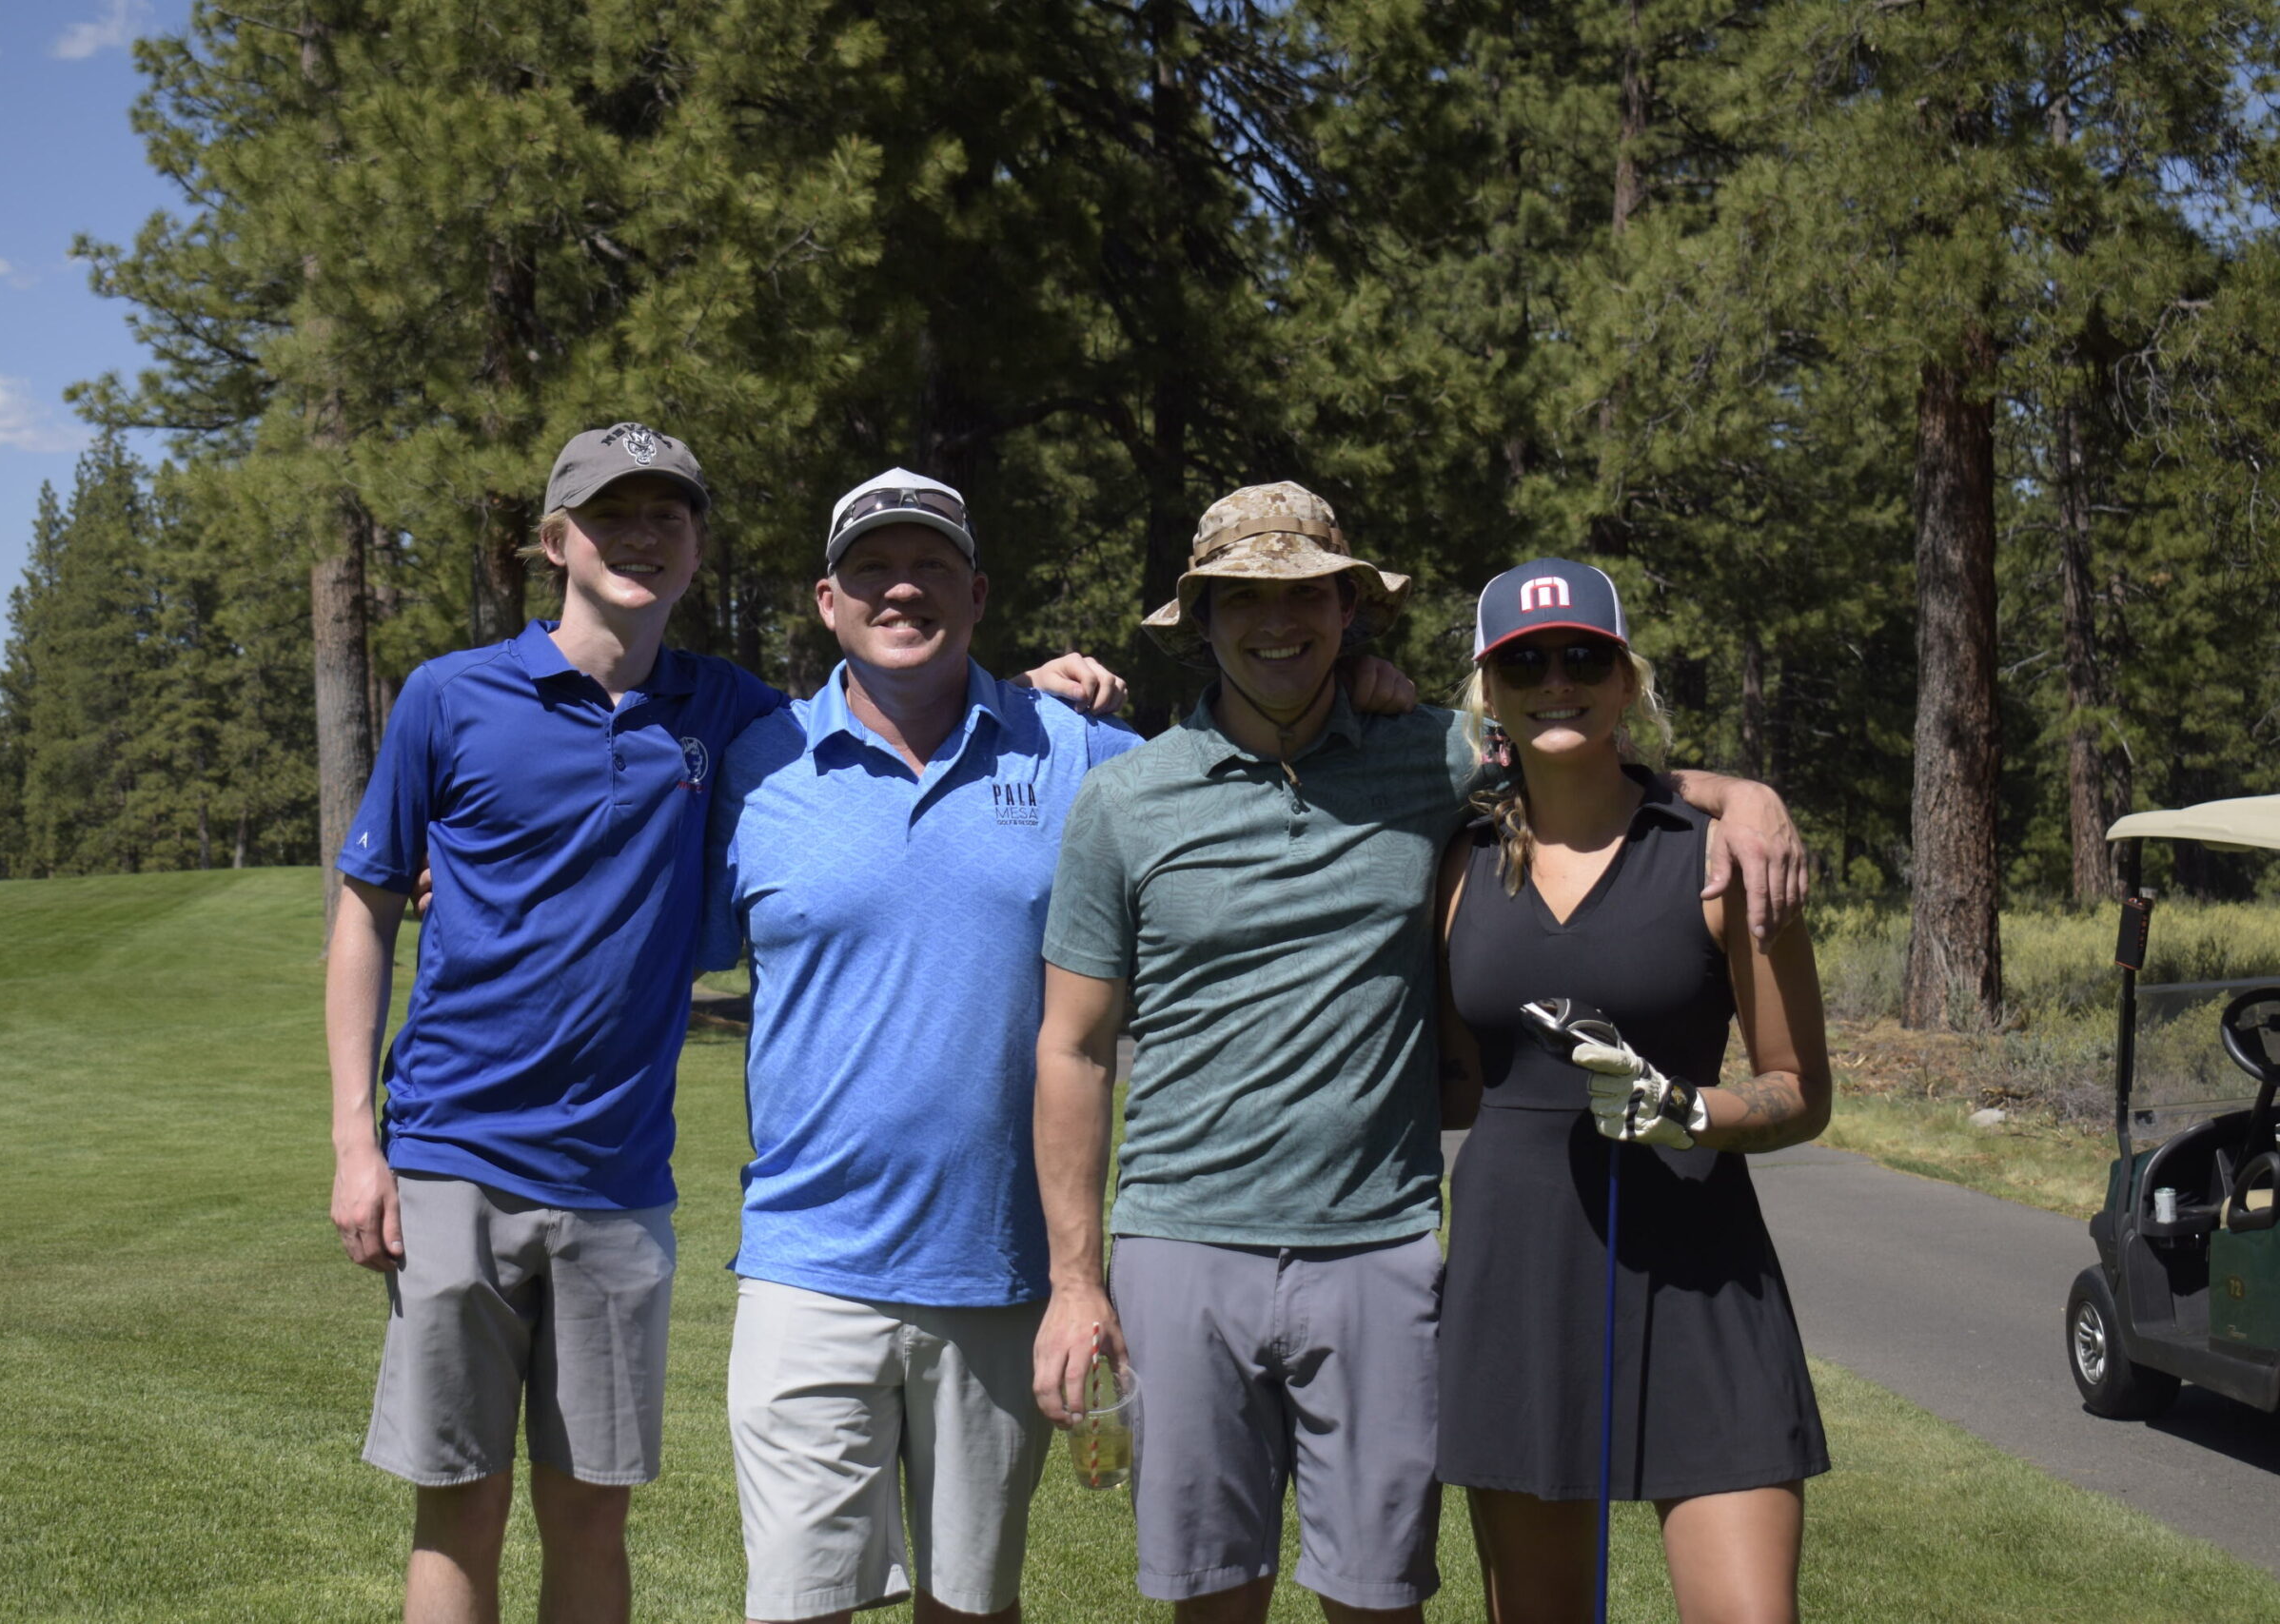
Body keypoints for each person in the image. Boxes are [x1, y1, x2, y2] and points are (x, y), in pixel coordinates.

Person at [326, 430, 1114, 1624]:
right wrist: (355, 1140)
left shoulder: (735, 719)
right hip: (461, 1159)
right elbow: (373, 905)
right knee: (462, 1505)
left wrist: (1042, 697)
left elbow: (1169, 761)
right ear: (554, 543)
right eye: (609, 516)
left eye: (668, 518)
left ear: (696, 550)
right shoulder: (482, 701)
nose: (640, 537)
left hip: (621, 1185)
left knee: (594, 1511)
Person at [1031, 484, 1808, 1624]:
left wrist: (1746, 797)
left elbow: (1588, 772)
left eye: (1303, 593)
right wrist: (1074, 1282)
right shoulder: (1123, 800)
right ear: (1198, 619)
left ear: (1351, 611)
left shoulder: (1435, 761)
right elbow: (1074, 1048)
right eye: (1241, 597)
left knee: (1381, 1597)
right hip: (1180, 1243)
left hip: (1380, 1248)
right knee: (1209, 1601)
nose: (1273, 621)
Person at [698, 469, 1415, 1624]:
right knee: (796, 1606)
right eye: (873, 570)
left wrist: (1363, 682)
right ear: (825, 602)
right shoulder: (756, 765)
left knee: (972, 1603)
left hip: (998, 1266)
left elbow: (1231, 770)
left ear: (976, 595)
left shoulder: (1080, 754)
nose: (902, 590)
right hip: (804, 1260)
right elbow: (635, 919)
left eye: (930, 566)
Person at [1432, 558, 1831, 1624]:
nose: (1553, 679)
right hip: (1514, 1268)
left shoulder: (1725, 855)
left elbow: (1799, 1092)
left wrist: (1691, 1112)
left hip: (1702, 1268)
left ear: (1625, 681)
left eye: (1581, 657)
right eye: (1523, 662)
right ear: (1490, 693)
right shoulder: (1454, 859)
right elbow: (1449, 1086)